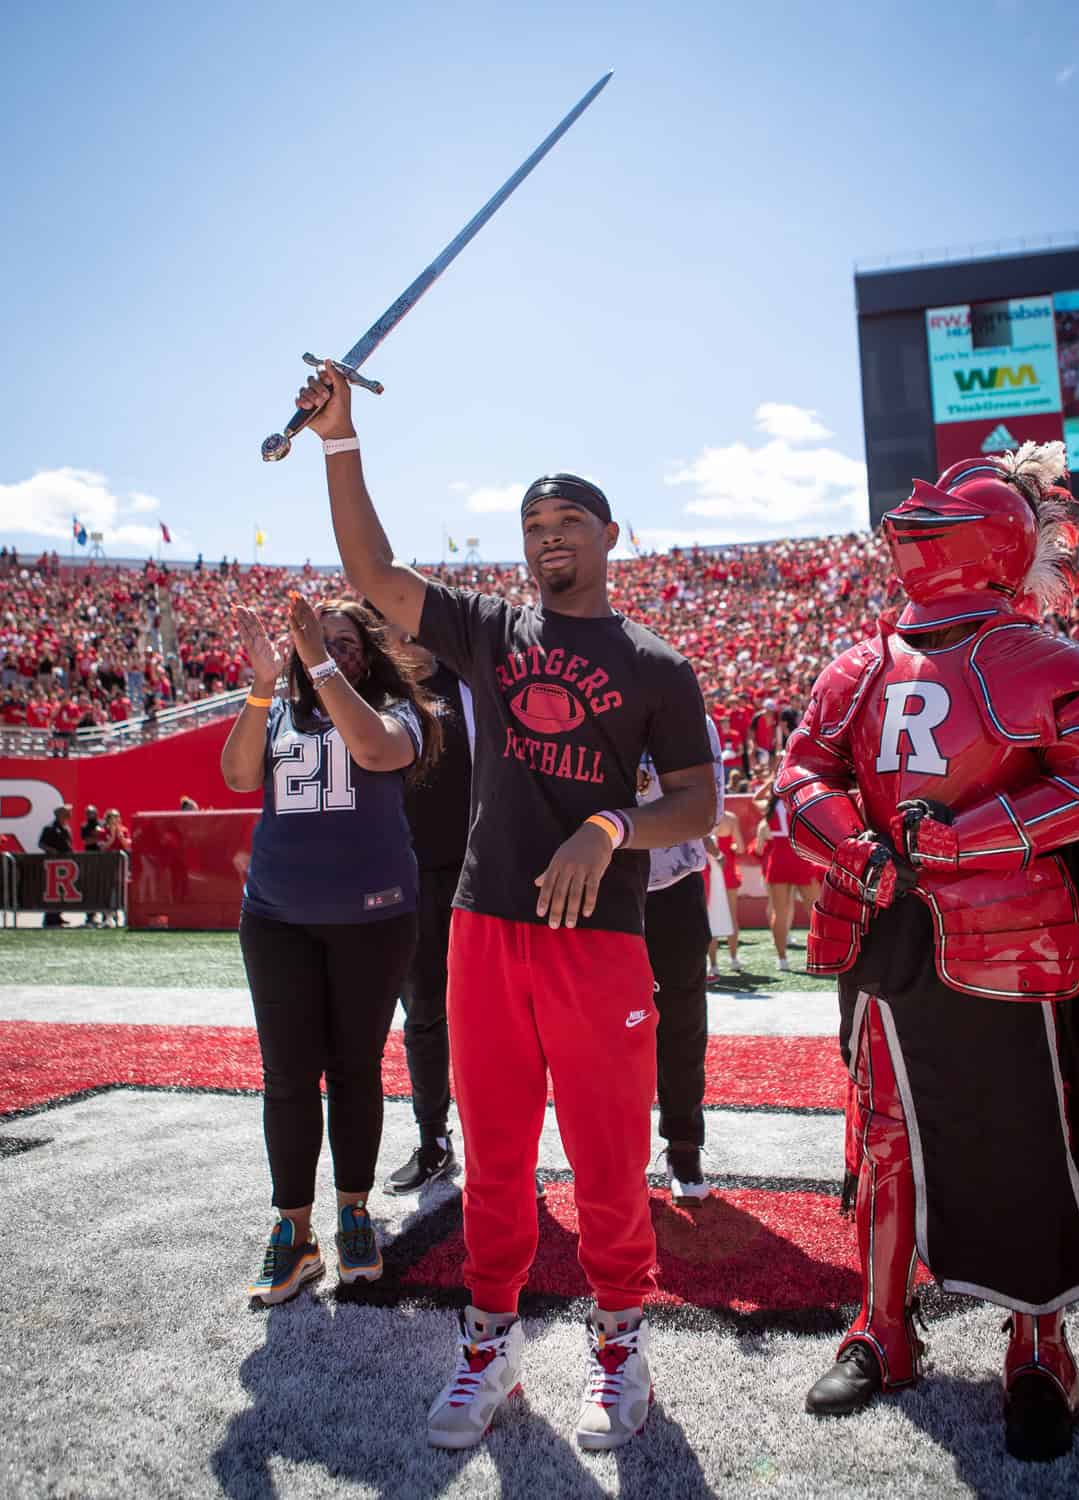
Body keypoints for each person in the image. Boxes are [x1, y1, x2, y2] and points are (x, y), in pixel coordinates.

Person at [297, 360, 716, 1453]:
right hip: (484, 928)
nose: (546, 540)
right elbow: (374, 574)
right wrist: (343, 442)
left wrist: (610, 825)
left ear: (612, 535)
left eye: (568, 521)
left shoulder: (657, 664)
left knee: (613, 1153)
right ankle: (489, 1344)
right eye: (532, 525)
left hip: (601, 941)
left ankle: (620, 1341)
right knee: (493, 1154)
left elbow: (701, 800)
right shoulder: (491, 630)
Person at [779, 442, 1079, 1461]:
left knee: (1022, 1144)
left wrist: (968, 839)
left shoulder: (1045, 658)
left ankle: (1038, 1345)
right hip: (884, 936)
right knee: (882, 1133)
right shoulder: (859, 661)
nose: (912, 531)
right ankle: (882, 1327)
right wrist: (854, 847)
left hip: (1010, 945)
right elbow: (799, 774)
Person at [220, 591, 439, 1308]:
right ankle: (294, 1230)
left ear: (368, 654)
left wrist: (315, 657)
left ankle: (352, 1212)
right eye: (320, 638)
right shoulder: (278, 707)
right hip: (278, 916)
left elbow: (374, 748)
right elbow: (238, 776)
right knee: (286, 1075)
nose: (331, 647)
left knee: (352, 1070)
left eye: (346, 640)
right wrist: (260, 685)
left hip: (372, 920)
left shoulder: (399, 712)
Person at [381, 631, 473, 1194]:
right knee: (422, 1016)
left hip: (477, 874)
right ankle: (434, 1137)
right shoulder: (376, 693)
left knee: (493, 1018)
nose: (406, 632)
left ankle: (501, 1147)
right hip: (405, 879)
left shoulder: (473, 685)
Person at [638, 716, 724, 1202]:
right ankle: (618, 1150)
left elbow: (708, 811)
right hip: (606, 889)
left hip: (672, 890)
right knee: (605, 1030)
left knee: (682, 1025)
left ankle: (684, 1142)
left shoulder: (693, 721)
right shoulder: (591, 710)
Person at [754, 789, 821, 971]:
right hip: (799, 854)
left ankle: (782, 959)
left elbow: (756, 799)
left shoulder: (771, 804)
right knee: (816, 910)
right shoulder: (801, 799)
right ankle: (821, 955)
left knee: (779, 912)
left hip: (779, 857)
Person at [707, 806, 745, 977]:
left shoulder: (703, 813)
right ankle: (734, 958)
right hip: (727, 869)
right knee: (732, 915)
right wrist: (733, 846)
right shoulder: (730, 817)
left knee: (710, 917)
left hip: (709, 869)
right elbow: (741, 847)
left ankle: (713, 964)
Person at [37, 804, 74, 929]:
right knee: (53, 891)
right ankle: (50, 917)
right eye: (67, 812)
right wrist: (52, 851)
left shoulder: (66, 828)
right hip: (53, 865)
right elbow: (41, 844)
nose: (70, 814)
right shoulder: (50, 828)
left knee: (63, 891)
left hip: (66, 864)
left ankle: (58, 915)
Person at [80, 805, 103, 928]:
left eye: (92, 813)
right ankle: (90, 915)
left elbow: (106, 838)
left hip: (104, 858)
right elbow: (86, 841)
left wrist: (98, 837)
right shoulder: (85, 826)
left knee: (104, 885)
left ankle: (107, 914)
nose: (90, 815)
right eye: (88, 813)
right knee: (90, 886)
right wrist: (97, 837)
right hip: (90, 858)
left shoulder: (102, 824)